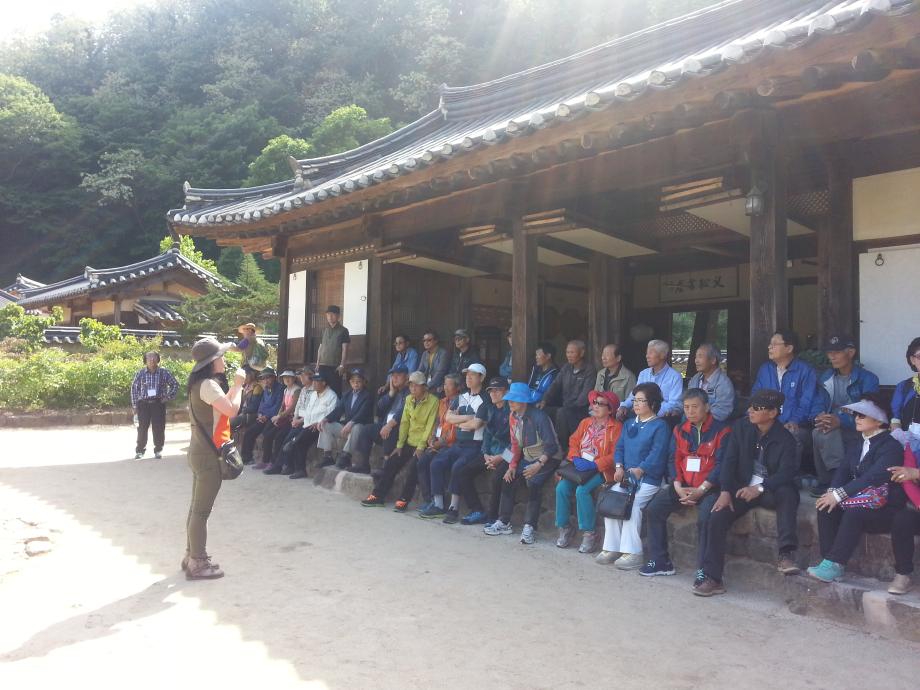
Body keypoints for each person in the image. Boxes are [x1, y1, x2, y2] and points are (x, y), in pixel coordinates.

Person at [695, 389, 801, 597]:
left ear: (772, 413)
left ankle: (786, 553)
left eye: (757, 408)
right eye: (750, 406)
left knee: (788, 493)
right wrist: (725, 491)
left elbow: (787, 473)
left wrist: (760, 487)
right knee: (717, 515)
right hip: (741, 488)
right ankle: (713, 578)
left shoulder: (785, 439)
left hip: (768, 489)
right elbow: (729, 461)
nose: (750, 411)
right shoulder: (741, 428)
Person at [807, 394, 903, 583]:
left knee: (854, 513)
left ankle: (836, 563)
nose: (856, 418)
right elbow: (843, 469)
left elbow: (871, 478)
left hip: (884, 508)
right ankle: (828, 561)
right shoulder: (858, 442)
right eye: (856, 415)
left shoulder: (891, 447)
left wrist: (839, 495)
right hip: (858, 499)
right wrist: (832, 491)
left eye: (862, 415)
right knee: (825, 506)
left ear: (879, 421)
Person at [641, 388, 730, 579]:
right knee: (654, 509)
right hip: (683, 486)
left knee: (706, 519)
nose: (690, 411)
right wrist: (677, 485)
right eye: (686, 407)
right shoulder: (679, 429)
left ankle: (704, 571)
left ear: (707, 407)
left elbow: (722, 464)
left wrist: (702, 489)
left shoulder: (722, 430)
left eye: (695, 407)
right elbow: (673, 459)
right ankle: (660, 561)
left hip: (710, 487)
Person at [184, 337, 245, 580]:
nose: (224, 359)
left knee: (195, 509)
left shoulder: (200, 384)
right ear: (212, 361)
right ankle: (198, 562)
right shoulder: (208, 384)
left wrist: (234, 389)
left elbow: (222, 405)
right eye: (221, 356)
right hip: (209, 456)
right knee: (201, 512)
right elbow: (231, 410)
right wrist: (239, 386)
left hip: (198, 451)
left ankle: (191, 555)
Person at [596, 382, 670, 569]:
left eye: (641, 401)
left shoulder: (660, 426)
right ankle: (611, 547)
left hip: (649, 479)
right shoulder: (629, 423)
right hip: (627, 477)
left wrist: (641, 469)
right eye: (635, 400)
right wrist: (619, 467)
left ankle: (633, 553)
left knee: (633, 504)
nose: (636, 404)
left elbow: (657, 453)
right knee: (612, 499)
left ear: (653, 403)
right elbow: (619, 448)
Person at [484, 382, 560, 544]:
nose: (510, 402)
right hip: (524, 456)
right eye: (510, 399)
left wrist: (538, 464)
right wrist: (511, 466)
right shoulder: (512, 416)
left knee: (533, 482)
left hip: (547, 457)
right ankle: (503, 521)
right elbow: (515, 445)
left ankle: (529, 526)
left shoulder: (539, 417)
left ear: (524, 401)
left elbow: (552, 446)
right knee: (506, 477)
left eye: (514, 399)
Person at [811, 334, 880, 497]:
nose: (832, 356)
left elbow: (868, 411)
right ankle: (830, 480)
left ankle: (834, 480)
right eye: (829, 353)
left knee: (828, 432)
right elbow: (817, 402)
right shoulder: (826, 377)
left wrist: (841, 421)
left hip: (856, 428)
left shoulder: (868, 379)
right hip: (831, 425)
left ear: (850, 352)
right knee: (819, 430)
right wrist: (819, 416)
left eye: (836, 352)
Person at [555, 390, 623, 554]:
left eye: (600, 404)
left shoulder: (616, 427)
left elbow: (616, 454)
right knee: (561, 488)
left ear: (610, 409)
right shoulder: (585, 422)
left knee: (582, 491)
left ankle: (590, 533)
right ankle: (564, 527)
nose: (595, 406)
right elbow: (573, 441)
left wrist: (595, 464)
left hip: (601, 469)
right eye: (594, 403)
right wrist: (575, 457)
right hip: (579, 467)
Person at [420, 363, 489, 521]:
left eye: (473, 374)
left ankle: (453, 508)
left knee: (458, 467)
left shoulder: (485, 399)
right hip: (459, 444)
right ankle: (438, 505)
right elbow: (448, 417)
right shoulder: (461, 397)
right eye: (467, 374)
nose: (468, 377)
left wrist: (459, 421)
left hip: (475, 445)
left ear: (482, 377)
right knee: (436, 462)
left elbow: (476, 424)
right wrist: (468, 417)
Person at [362, 371, 439, 507]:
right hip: (408, 441)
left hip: (423, 443)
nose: (413, 388)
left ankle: (404, 499)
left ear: (424, 387)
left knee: (413, 467)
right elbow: (404, 423)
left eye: (416, 385)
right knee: (391, 462)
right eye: (411, 385)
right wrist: (400, 445)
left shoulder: (433, 401)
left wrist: (421, 447)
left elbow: (430, 426)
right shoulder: (409, 399)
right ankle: (378, 496)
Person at [450, 377, 512, 525]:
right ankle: (477, 510)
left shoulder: (511, 411)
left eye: (498, 390)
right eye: (491, 391)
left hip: (509, 455)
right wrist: (485, 454)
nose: (493, 393)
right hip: (490, 454)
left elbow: (516, 443)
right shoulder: (490, 410)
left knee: (498, 478)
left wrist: (500, 457)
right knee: (463, 472)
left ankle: (493, 517)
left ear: (506, 392)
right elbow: (487, 436)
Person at [751, 329, 818, 466]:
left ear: (789, 348)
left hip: (796, 425)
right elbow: (755, 397)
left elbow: (806, 403)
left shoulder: (806, 371)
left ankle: (785, 475)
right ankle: (753, 474)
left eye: (774, 344)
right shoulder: (765, 369)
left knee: (789, 435)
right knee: (742, 430)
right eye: (770, 344)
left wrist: (794, 421)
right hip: (766, 421)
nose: (769, 347)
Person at [267, 371, 338, 478]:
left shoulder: (331, 396)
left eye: (316, 381)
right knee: (290, 440)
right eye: (313, 381)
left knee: (298, 441)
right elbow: (308, 411)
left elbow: (330, 414)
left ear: (324, 383)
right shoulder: (314, 394)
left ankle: (298, 469)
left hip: (319, 426)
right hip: (307, 424)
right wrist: (300, 421)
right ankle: (290, 467)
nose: (314, 383)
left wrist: (316, 422)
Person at [414, 374, 461, 512]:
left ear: (457, 387)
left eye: (449, 384)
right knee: (422, 461)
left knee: (436, 463)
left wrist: (440, 443)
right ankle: (430, 500)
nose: (445, 387)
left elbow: (454, 431)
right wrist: (432, 438)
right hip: (438, 443)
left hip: (450, 445)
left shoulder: (461, 402)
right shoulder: (442, 402)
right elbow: (437, 422)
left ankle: (439, 504)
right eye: (445, 384)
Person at [350, 365, 410, 473]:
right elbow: (379, 409)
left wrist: (389, 425)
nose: (395, 378)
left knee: (390, 429)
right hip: (386, 426)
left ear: (406, 377)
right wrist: (391, 394)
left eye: (398, 375)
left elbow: (403, 412)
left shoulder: (409, 392)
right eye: (393, 376)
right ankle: (363, 465)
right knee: (366, 430)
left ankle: (386, 468)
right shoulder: (394, 392)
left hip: (400, 429)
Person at [540, 339, 597, 451]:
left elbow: (585, 395)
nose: (569, 355)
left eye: (572, 352)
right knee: (542, 410)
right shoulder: (566, 368)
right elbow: (555, 385)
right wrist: (544, 400)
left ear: (581, 353)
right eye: (567, 352)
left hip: (581, 409)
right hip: (566, 407)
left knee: (562, 413)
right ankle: (546, 445)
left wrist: (570, 407)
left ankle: (562, 448)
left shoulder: (589, 370)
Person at [320, 368, 373, 468]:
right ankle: (328, 456)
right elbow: (338, 410)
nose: (356, 384)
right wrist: (325, 419)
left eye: (358, 381)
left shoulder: (368, 396)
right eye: (353, 381)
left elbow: (362, 413)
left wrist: (351, 422)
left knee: (357, 427)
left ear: (363, 382)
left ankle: (346, 456)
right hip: (347, 428)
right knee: (325, 425)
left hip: (360, 427)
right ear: (350, 382)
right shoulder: (347, 395)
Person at [618, 340, 683, 421]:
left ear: (663, 355)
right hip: (641, 415)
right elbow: (634, 395)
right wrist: (624, 406)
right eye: (647, 353)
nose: (647, 356)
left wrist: (649, 411)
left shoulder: (675, 376)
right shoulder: (643, 373)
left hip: (662, 417)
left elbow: (674, 403)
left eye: (651, 353)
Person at [888, 431, 920, 594]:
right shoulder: (914, 444)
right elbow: (907, 478)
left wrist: (917, 473)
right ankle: (903, 574)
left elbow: (913, 473)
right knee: (902, 519)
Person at [130, 350, 178, 459]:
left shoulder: (164, 372)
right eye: (149, 358)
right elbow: (134, 389)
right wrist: (134, 405)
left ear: (158, 359)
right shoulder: (140, 373)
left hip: (158, 404)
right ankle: (140, 451)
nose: (152, 360)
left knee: (159, 428)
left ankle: (158, 450)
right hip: (143, 404)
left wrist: (168, 396)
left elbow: (175, 384)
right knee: (142, 428)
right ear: (145, 360)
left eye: (154, 357)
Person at [254, 369, 302, 471]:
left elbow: (292, 408)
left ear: (294, 379)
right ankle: (266, 461)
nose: (287, 379)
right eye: (285, 377)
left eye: (289, 377)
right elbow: (282, 405)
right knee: (267, 434)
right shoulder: (286, 390)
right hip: (284, 418)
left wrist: (279, 416)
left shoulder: (297, 390)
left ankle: (275, 463)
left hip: (291, 419)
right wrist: (278, 417)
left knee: (279, 436)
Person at [239, 367, 283, 465]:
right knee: (249, 432)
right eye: (264, 378)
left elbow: (278, 406)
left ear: (274, 377)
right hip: (263, 417)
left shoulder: (280, 389)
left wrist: (266, 416)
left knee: (267, 434)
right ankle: (246, 458)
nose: (266, 380)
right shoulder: (266, 389)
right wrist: (260, 414)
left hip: (273, 418)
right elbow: (262, 404)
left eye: (268, 377)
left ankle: (266, 461)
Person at [686, 343, 735, 422]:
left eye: (700, 357)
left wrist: (700, 417)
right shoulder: (695, 379)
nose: (696, 361)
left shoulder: (724, 383)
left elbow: (722, 411)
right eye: (696, 357)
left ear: (713, 360)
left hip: (712, 425)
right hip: (691, 420)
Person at [316, 305, 350, 396]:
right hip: (323, 365)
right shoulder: (324, 330)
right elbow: (320, 347)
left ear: (338, 316)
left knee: (335, 391)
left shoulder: (343, 330)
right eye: (328, 314)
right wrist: (318, 363)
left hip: (335, 366)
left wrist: (342, 365)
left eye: (333, 314)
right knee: (322, 390)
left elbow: (345, 349)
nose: (330, 317)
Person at [888, 336, 920, 435]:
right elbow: (896, 419)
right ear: (912, 360)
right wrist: (900, 436)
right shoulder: (903, 387)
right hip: (908, 442)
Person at [230, 366, 263, 438]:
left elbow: (254, 407)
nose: (243, 377)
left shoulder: (257, 387)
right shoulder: (245, 386)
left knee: (230, 421)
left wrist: (242, 411)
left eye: (245, 375)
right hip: (243, 412)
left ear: (251, 375)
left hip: (250, 415)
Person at [417, 329, 450, 394]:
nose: (426, 342)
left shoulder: (443, 353)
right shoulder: (425, 354)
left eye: (429, 340)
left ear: (436, 341)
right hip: (426, 384)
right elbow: (420, 371)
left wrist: (427, 386)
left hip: (439, 386)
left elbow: (440, 373)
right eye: (424, 340)